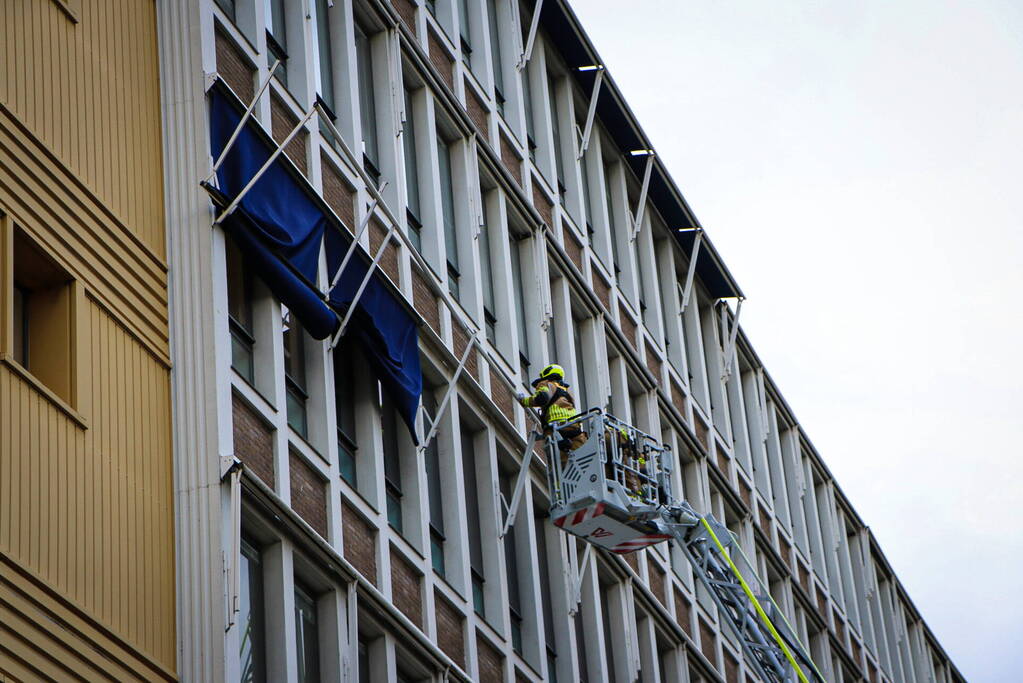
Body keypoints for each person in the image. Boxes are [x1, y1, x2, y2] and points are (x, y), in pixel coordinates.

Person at [517, 364, 588, 458]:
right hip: (573, 427)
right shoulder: (567, 392)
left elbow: (542, 398)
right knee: (578, 456)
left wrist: (523, 401)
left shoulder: (546, 383)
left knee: (556, 458)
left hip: (556, 426)